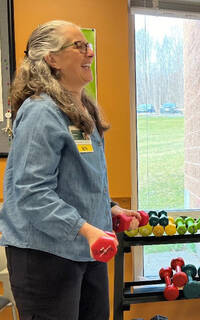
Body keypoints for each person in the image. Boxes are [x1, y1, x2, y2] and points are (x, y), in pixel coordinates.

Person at [0, 20, 140, 320]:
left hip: (85, 248)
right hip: (44, 255)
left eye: (88, 45)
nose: (89, 53)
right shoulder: (41, 112)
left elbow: (77, 182)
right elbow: (31, 192)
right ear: (52, 59)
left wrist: (109, 209)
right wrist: (88, 228)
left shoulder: (80, 111)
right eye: (78, 46)